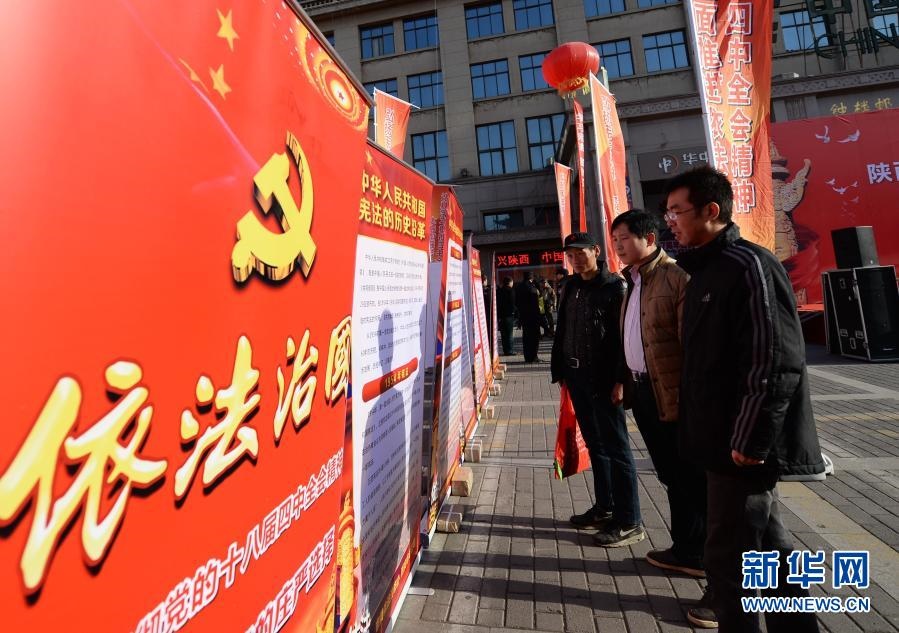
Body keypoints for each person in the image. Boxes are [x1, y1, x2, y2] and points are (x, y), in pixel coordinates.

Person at [664, 166, 824, 632]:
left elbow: (774, 359)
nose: (670, 221)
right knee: (770, 549)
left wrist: (752, 439)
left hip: (741, 446)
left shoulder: (748, 266)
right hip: (721, 441)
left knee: (728, 561)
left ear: (711, 211)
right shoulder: (704, 271)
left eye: (677, 211)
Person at [610, 209, 708, 580]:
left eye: (624, 238)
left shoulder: (675, 277)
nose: (618, 246)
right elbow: (634, 337)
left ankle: (700, 553)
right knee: (670, 474)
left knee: (689, 476)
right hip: (644, 392)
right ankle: (685, 546)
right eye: (615, 240)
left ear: (649, 238)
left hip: (672, 394)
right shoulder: (633, 280)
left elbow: (692, 345)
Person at [551, 231, 644, 547]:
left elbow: (624, 338)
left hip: (604, 380)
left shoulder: (615, 287)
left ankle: (630, 521)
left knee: (617, 449)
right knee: (596, 446)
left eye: (581, 253)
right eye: (571, 255)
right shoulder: (570, 286)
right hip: (576, 377)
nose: (576, 260)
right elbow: (563, 329)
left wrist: (620, 380)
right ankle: (605, 508)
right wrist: (561, 371)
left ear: (596, 251)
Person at [515, 271, 542, 362]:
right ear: (532, 278)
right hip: (533, 316)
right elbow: (536, 302)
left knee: (526, 337)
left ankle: (527, 357)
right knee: (534, 337)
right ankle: (534, 357)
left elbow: (516, 301)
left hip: (523, 315)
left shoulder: (518, 287)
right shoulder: (532, 288)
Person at [496, 276, 516, 356]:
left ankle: (505, 350)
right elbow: (513, 303)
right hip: (509, 315)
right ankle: (510, 350)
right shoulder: (511, 291)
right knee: (509, 334)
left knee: (503, 334)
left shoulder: (499, 291)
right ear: (510, 282)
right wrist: (514, 312)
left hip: (501, 315)